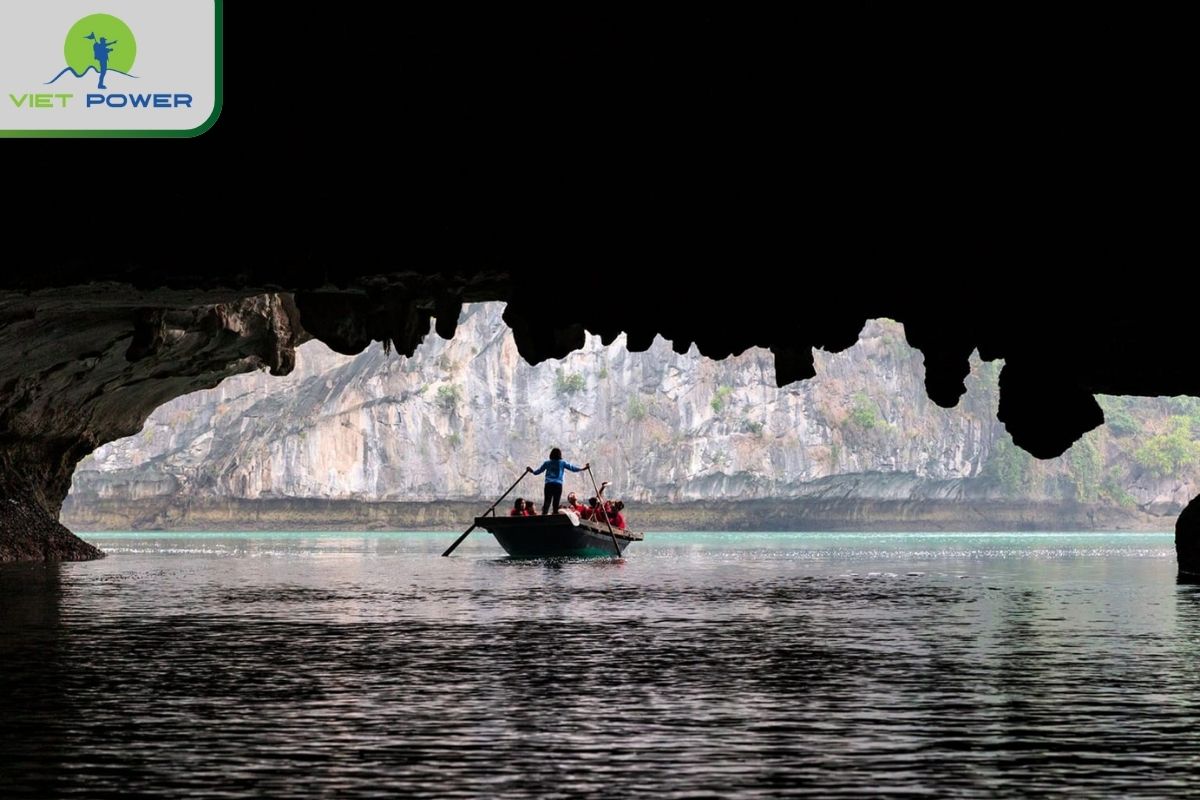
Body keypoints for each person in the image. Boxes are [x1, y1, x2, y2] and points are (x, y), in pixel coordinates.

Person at [527, 448, 588, 515]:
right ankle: (555, 515)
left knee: (547, 501)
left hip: (549, 484)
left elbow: (537, 472)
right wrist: (582, 469)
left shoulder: (547, 463)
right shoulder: (562, 463)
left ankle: (544, 516)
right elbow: (572, 468)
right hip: (558, 485)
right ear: (560, 455)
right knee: (556, 502)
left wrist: (532, 471)